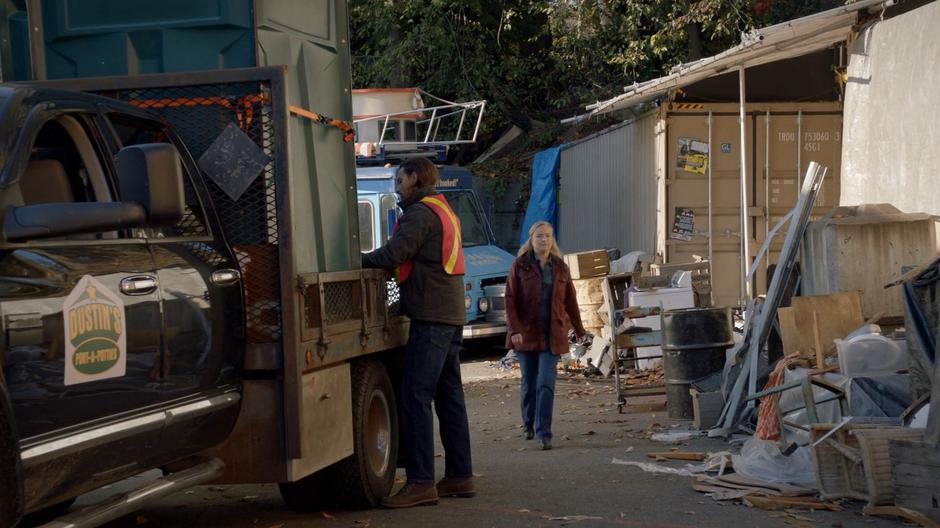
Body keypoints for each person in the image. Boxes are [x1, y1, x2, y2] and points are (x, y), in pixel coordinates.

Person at [361, 157, 475, 508]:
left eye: (400, 177)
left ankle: (421, 481)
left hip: (431, 316)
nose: (397, 183)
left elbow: (396, 252)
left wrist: (355, 260)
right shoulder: (443, 209)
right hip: (449, 313)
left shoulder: (420, 213)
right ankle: (459, 475)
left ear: (414, 177)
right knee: (448, 397)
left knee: (415, 396)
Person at [505, 220, 586, 450]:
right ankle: (528, 423)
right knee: (529, 384)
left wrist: (580, 330)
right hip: (527, 334)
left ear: (553, 240)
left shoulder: (560, 267)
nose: (544, 240)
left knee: (546, 384)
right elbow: (510, 300)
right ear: (531, 239)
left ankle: (544, 432)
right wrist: (515, 330)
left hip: (553, 335)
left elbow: (571, 301)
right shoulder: (520, 266)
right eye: (540, 236)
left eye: (548, 236)